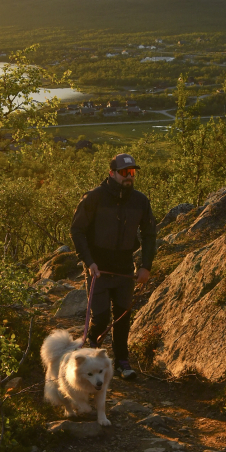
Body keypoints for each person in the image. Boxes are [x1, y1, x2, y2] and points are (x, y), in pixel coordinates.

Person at [70, 152, 157, 379]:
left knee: (122, 316)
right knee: (101, 319)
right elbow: (77, 231)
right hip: (98, 268)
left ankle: (122, 362)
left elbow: (149, 234)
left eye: (132, 173)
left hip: (125, 269)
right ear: (112, 174)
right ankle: (91, 349)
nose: (129, 177)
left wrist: (145, 265)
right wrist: (89, 262)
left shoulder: (140, 201)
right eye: (124, 173)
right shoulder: (94, 198)